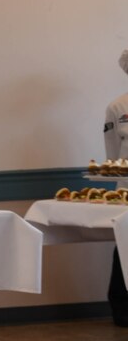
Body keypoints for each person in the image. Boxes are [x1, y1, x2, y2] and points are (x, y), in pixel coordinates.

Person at [105, 49, 128, 327]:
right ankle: (121, 308)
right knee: (124, 245)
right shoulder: (117, 107)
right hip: (126, 189)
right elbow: (112, 154)